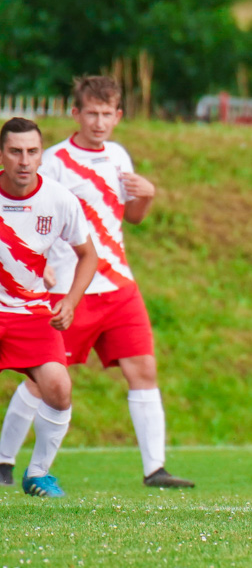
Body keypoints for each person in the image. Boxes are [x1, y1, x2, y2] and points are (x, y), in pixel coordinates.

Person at [0, 77, 194, 489]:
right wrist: (42, 268)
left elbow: (133, 218)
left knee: (143, 368)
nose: (99, 122)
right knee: (43, 381)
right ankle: (6, 462)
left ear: (118, 116)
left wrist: (147, 195)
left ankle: (154, 469)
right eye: (92, 112)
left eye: (108, 114)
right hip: (69, 289)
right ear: (76, 114)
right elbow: (34, 221)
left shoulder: (119, 156)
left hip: (119, 285)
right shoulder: (50, 160)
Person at [0, 117, 98, 497]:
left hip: (31, 313)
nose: (24, 160)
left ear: (41, 155)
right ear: (2, 155)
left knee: (58, 388)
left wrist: (71, 302)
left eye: (32, 152)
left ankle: (38, 473)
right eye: (15, 152)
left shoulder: (58, 199)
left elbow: (88, 256)